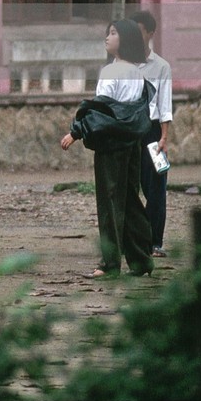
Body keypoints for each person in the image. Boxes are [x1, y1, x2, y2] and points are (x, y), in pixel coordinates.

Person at [61, 19, 154, 277]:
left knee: (110, 202)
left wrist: (75, 131)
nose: (107, 37)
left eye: (113, 33)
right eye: (108, 32)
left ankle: (110, 263)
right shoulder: (138, 73)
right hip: (132, 143)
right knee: (131, 199)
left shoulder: (111, 72)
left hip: (112, 144)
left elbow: (102, 110)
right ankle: (142, 260)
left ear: (124, 39)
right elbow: (133, 110)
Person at [131, 10, 173, 257]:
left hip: (154, 131)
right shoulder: (122, 64)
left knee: (157, 185)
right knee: (129, 187)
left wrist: (164, 137)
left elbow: (165, 104)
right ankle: (133, 239)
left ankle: (155, 241)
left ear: (150, 33)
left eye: (139, 32)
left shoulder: (161, 67)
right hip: (129, 132)